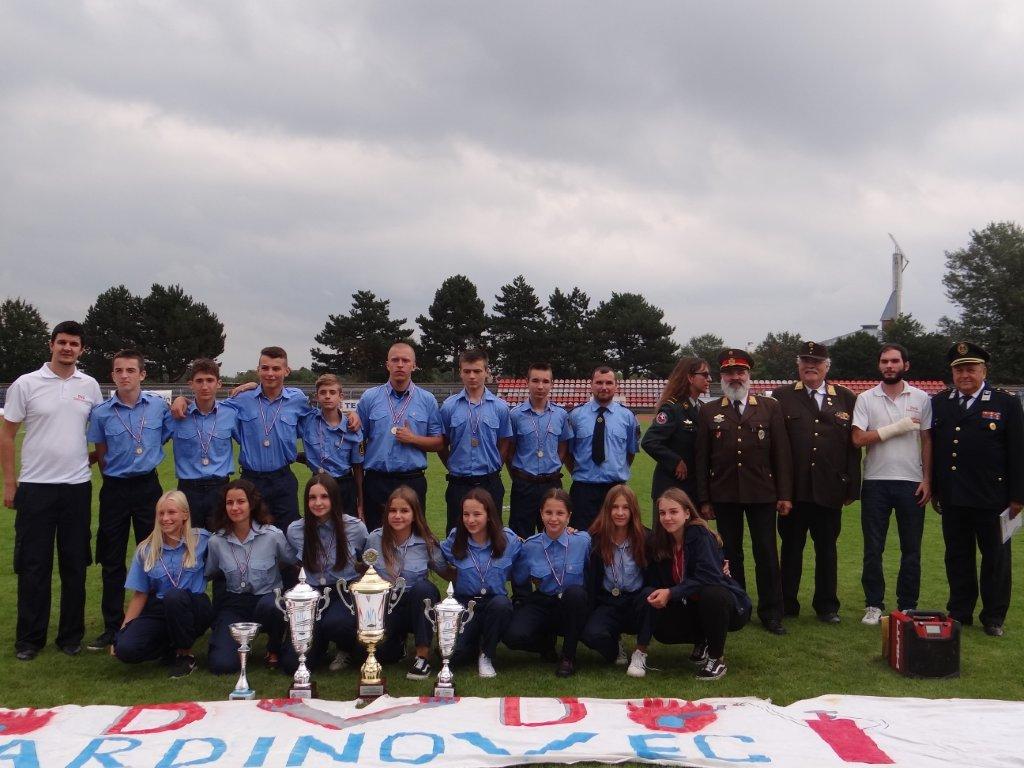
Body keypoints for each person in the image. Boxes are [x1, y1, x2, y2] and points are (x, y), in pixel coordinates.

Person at [2, 321, 103, 661]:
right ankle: (30, 640)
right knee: (34, 566)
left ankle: (70, 637)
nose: (67, 348)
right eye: (62, 342)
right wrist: (10, 483)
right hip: (35, 488)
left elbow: (101, 433)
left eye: (74, 344)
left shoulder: (88, 386)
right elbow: (7, 435)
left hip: (75, 488)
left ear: (81, 349)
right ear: (51, 345)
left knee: (74, 565)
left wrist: (86, 459)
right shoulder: (26, 384)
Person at [695, 349, 792, 635]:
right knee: (730, 554)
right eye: (729, 373)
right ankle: (738, 606)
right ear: (722, 377)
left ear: (749, 375)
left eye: (740, 372)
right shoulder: (709, 410)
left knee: (766, 552)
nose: (735, 377)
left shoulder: (769, 407)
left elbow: (781, 455)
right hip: (724, 494)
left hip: (762, 493)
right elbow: (702, 459)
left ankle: (771, 612)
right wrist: (704, 499)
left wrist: (785, 494)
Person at [931, 341, 1024, 636]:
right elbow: (935, 449)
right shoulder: (941, 402)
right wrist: (935, 489)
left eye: (970, 369)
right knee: (957, 557)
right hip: (954, 496)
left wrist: (1018, 496)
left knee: (996, 559)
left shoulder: (1005, 403)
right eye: (959, 370)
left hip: (993, 498)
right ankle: (960, 611)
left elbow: (1018, 451)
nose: (964, 375)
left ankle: (994, 617)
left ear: (983, 370)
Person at [86, 349, 170, 651]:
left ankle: (151, 620)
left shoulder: (158, 408)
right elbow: (102, 452)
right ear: (112, 376)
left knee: (152, 553)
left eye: (130, 370)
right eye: (119, 371)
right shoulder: (101, 413)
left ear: (142, 374)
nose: (124, 375)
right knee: (112, 557)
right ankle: (112, 625)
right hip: (115, 489)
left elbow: (165, 436)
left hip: (148, 486)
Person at [772, 342, 860, 623]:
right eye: (805, 361)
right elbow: (776, 447)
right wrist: (780, 490)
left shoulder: (846, 397)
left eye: (817, 361)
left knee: (827, 550)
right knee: (791, 548)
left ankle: (827, 606)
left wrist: (851, 487)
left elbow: (852, 448)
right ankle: (787, 602)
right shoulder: (782, 396)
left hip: (830, 488)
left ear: (827, 365)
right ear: (798, 365)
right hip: (794, 491)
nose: (811, 365)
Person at [852, 343, 932, 625]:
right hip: (875, 481)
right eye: (884, 361)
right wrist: (896, 427)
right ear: (879, 366)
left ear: (905, 365)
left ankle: (907, 606)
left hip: (911, 482)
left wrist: (927, 479)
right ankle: (873, 605)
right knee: (873, 548)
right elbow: (858, 439)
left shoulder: (922, 398)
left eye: (895, 361)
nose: (889, 366)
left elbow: (926, 440)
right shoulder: (865, 398)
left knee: (911, 549)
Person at [645, 488, 751, 680]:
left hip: (729, 606)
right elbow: (636, 533)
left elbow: (708, 576)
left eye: (673, 512)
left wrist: (671, 592)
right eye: (662, 513)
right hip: (690, 605)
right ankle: (702, 640)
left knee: (712, 594)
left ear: (687, 513)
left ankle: (717, 658)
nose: (667, 517)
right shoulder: (661, 541)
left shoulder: (698, 534)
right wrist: (571, 529)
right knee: (662, 627)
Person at [113, 491, 212, 678]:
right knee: (124, 648)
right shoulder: (146, 549)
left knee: (174, 596)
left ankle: (185, 655)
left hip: (193, 606)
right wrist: (123, 630)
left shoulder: (203, 540)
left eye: (171, 512)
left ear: (185, 515)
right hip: (160, 608)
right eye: (161, 513)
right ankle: (170, 646)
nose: (165, 518)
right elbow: (140, 594)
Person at [205, 479, 296, 673]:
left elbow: (290, 561)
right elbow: (211, 572)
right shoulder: (216, 541)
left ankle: (274, 647)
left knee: (271, 606)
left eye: (241, 501)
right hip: (235, 604)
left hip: (267, 600)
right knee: (222, 665)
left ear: (252, 504)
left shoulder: (273, 536)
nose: (235, 507)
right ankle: (238, 647)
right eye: (230, 503)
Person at [282, 474, 368, 674]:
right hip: (312, 595)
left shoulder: (355, 528)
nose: (318, 503)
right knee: (291, 665)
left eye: (324, 497)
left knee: (336, 623)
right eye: (312, 498)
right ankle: (316, 648)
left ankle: (345, 648)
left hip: (343, 591)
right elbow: (292, 562)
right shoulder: (295, 530)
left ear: (334, 499)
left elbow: (367, 561)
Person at [356, 342, 444, 531]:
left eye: (405, 360)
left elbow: (439, 442)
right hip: (376, 481)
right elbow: (357, 438)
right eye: (395, 360)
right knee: (376, 537)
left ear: (414, 365)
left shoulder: (427, 400)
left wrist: (413, 439)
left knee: (414, 536)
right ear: (387, 364)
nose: (400, 364)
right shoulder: (370, 398)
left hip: (412, 480)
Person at [363, 486, 448, 680]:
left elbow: (445, 572)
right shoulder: (374, 539)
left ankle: (422, 656)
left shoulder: (426, 542)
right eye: (393, 511)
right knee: (385, 655)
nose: (398, 516)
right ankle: (398, 644)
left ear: (414, 513)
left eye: (404, 511)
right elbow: (365, 571)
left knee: (423, 589)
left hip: (416, 606)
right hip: (388, 607)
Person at [505, 488, 591, 677]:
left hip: (572, 604)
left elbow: (592, 573)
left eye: (560, 513)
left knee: (575, 594)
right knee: (513, 636)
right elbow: (519, 579)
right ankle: (544, 644)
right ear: (541, 514)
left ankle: (568, 657)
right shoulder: (529, 546)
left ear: (569, 516)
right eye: (548, 512)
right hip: (544, 600)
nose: (554, 519)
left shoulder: (583, 541)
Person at [440, 488, 521, 678]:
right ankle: (472, 642)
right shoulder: (455, 538)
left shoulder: (509, 539)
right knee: (455, 656)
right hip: (465, 604)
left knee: (502, 605)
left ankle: (487, 655)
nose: (471, 520)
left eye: (477, 514)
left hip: (495, 603)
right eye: (466, 514)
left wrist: (568, 531)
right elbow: (435, 556)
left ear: (489, 515)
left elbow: (532, 550)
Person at [580, 484, 652, 678]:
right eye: (615, 507)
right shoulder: (595, 539)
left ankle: (640, 653)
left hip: (637, 600)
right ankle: (614, 646)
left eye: (625, 507)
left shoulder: (646, 537)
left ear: (633, 510)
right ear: (607, 509)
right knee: (590, 634)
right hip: (609, 601)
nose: (620, 513)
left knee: (650, 596)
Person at [439, 349, 513, 533]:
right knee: (456, 535)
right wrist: (451, 464)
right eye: (467, 371)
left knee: (493, 534)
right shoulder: (449, 406)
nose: (472, 376)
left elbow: (505, 442)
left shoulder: (500, 407)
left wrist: (495, 464)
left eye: (477, 371)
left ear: (487, 372)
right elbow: (442, 442)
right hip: (458, 483)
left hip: (490, 482)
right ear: (460, 372)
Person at [164, 358, 238, 530]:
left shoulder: (231, 414)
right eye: (199, 381)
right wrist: (179, 398)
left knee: (220, 543)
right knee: (190, 544)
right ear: (191, 384)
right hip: (189, 490)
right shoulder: (176, 415)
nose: (205, 386)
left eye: (210, 380)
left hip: (220, 488)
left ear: (219, 383)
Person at [565, 366, 641, 531]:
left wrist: (617, 470)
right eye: (599, 382)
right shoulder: (575, 416)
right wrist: (581, 473)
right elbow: (568, 453)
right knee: (581, 539)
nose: (604, 387)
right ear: (591, 385)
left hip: (615, 489)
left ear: (616, 386)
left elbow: (630, 452)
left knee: (615, 537)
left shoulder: (628, 416)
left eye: (608, 382)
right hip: (583, 489)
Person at [507, 362, 571, 539]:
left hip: (551, 484)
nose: (540, 386)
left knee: (553, 532)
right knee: (520, 536)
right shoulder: (515, 415)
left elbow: (563, 446)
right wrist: (519, 475)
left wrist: (553, 467)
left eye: (545, 381)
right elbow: (510, 450)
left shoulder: (560, 415)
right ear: (527, 382)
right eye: (535, 380)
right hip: (523, 484)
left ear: (551, 383)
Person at [641, 357, 711, 503]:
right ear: (691, 377)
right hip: (671, 490)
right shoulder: (672, 408)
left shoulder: (702, 408)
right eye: (704, 375)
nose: (709, 379)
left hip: (694, 490)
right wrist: (675, 461)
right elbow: (650, 441)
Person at [299, 374, 363, 519]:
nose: (327, 396)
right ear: (316, 396)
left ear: (341, 396)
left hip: (344, 485)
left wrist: (360, 503)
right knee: (316, 529)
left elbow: (358, 468)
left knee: (347, 531)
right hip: (318, 484)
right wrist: (252, 385)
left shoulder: (353, 427)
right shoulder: (307, 421)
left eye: (332, 392)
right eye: (323, 392)